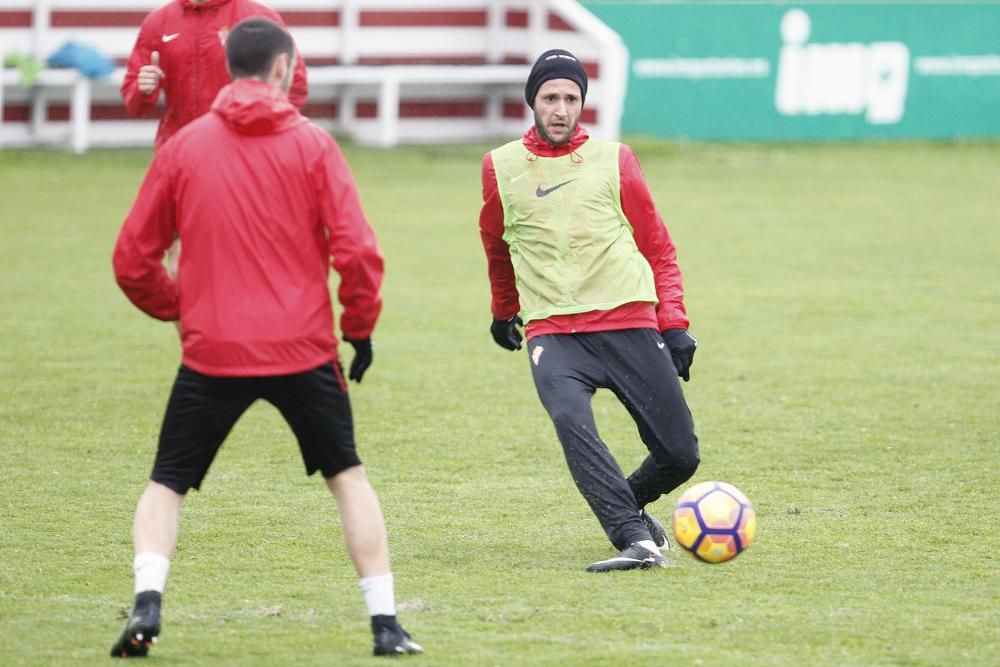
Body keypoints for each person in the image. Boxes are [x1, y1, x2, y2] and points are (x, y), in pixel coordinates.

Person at [109, 18, 422, 658]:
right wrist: (358, 329)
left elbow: (132, 260)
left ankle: (147, 602)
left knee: (165, 484)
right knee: (349, 477)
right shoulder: (314, 146)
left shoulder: (185, 146)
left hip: (212, 353)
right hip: (303, 351)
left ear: (230, 67)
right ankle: (385, 625)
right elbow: (358, 252)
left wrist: (183, 308)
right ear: (284, 69)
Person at [479, 49, 701, 573]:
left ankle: (625, 506)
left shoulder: (615, 159)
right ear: (532, 101)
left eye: (571, 98)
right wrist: (503, 310)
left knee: (680, 454)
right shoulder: (501, 166)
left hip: (627, 317)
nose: (560, 109)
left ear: (583, 103)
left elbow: (658, 246)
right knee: (572, 424)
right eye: (550, 97)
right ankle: (635, 539)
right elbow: (496, 245)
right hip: (553, 331)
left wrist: (674, 324)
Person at [122, 0, 308, 151]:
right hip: (179, 149)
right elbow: (134, 102)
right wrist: (143, 91)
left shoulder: (257, 18)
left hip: (241, 151)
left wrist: (263, 133)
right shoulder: (159, 21)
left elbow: (295, 84)